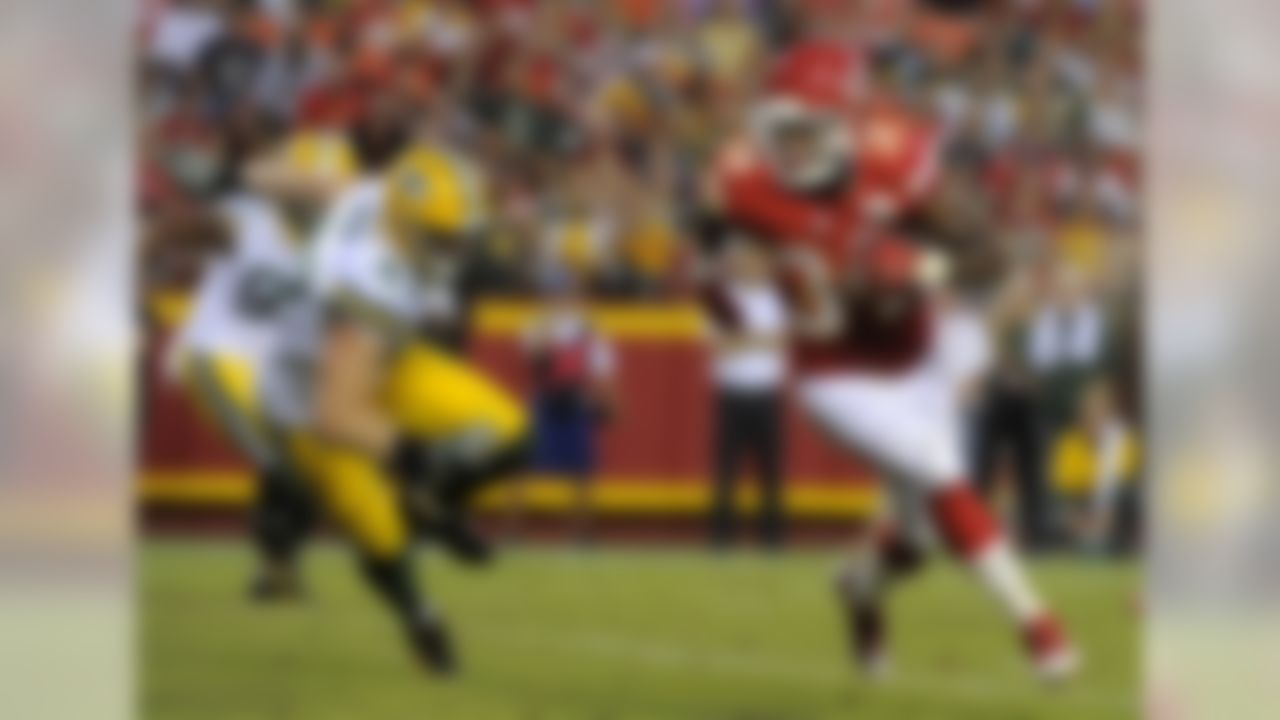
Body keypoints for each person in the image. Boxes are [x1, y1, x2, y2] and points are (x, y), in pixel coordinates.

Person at [701, 41, 1077, 682]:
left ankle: (858, 586)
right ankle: (1039, 629)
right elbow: (710, 243)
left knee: (919, 539)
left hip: (916, 353)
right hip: (832, 373)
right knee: (940, 473)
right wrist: (718, 293)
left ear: (842, 124)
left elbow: (979, 256)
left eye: (804, 132)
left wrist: (918, 266)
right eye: (780, 133)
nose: (788, 149)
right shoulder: (744, 184)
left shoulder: (895, 159)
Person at [258, 137, 531, 675]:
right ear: (408, 225)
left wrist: (253, 176)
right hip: (313, 397)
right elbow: (337, 414)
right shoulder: (370, 279)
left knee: (509, 432)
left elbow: (284, 180)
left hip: (381, 359)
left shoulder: (379, 197)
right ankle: (419, 617)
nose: (452, 249)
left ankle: (433, 508)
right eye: (441, 239)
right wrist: (417, 462)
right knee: (380, 530)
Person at [160, 128, 357, 600]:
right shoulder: (250, 220)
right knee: (293, 458)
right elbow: (180, 232)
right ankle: (276, 564)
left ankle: (277, 569)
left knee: (307, 458)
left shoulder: (340, 249)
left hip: (271, 370)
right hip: (221, 357)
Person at [701, 240, 789, 550]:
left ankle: (773, 539)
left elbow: (784, 342)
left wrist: (743, 338)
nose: (751, 266)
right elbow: (721, 347)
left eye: (756, 260)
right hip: (733, 391)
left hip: (766, 391)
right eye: (746, 260)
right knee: (726, 470)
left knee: (772, 472)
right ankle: (721, 539)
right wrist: (758, 339)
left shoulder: (777, 300)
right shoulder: (723, 300)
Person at [520, 274, 618, 545]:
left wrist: (606, 397)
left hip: (576, 397)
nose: (561, 300)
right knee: (523, 464)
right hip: (546, 396)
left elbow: (602, 366)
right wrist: (547, 324)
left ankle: (580, 532)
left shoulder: (588, 327)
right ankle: (514, 528)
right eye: (556, 295)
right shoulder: (537, 323)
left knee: (582, 470)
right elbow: (532, 355)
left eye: (566, 294)